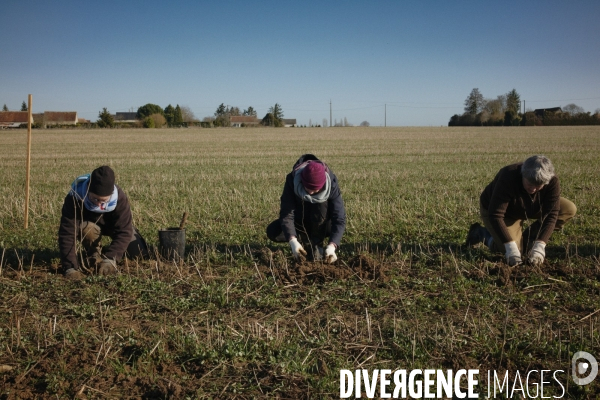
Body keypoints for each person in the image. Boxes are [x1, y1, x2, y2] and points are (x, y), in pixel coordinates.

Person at [466, 155, 577, 266]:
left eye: (538, 186)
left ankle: (530, 238)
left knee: (568, 208)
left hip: (532, 206)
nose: (533, 189)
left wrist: (540, 245)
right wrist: (510, 247)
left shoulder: (552, 181)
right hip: (503, 213)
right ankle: (482, 233)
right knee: (514, 252)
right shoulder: (508, 176)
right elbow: (496, 215)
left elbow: (551, 214)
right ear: (522, 175)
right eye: (529, 184)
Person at [58, 165, 148, 280]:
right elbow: (67, 233)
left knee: (138, 254)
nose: (99, 204)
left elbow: (124, 231)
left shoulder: (119, 198)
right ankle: (94, 253)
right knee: (86, 229)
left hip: (113, 226)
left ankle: (108, 252)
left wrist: (111, 258)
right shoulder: (75, 197)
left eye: (104, 200)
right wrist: (69, 267)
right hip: (89, 227)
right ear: (88, 191)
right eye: (95, 199)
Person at [266, 154, 346, 263]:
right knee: (273, 231)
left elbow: (339, 218)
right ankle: (303, 240)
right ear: (301, 181)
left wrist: (332, 245)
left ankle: (317, 244)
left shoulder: (331, 184)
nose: (311, 193)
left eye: (316, 190)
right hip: (299, 222)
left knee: (321, 204)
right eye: (308, 188)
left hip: (323, 224)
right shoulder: (292, 180)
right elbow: (287, 214)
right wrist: (292, 240)